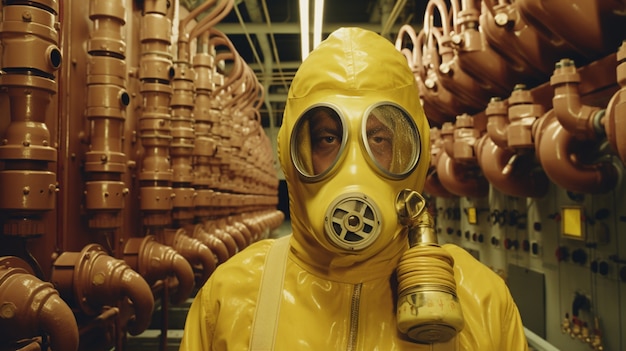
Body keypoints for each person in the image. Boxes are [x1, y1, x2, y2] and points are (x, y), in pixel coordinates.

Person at [179, 27, 528, 351]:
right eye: (328, 138)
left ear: (414, 149)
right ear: (292, 151)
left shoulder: (481, 300)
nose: (354, 167)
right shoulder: (232, 296)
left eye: (379, 139)